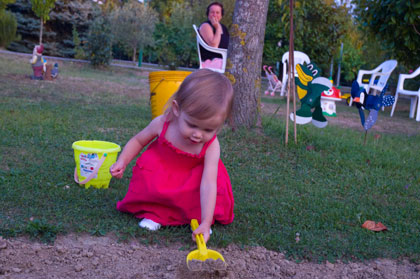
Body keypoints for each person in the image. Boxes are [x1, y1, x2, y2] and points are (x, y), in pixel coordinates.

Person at [111, 69, 234, 243]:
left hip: (191, 183)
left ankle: (198, 220)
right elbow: (138, 141)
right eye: (192, 125)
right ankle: (154, 212)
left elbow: (208, 183)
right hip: (161, 175)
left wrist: (206, 222)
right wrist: (122, 161)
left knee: (199, 192)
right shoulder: (162, 124)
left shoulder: (212, 145)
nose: (198, 135)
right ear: (177, 109)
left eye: (208, 129)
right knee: (150, 178)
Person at [198, 2, 229, 69]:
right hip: (211, 61)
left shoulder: (224, 28)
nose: (215, 15)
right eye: (212, 12)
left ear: (221, 15)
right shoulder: (205, 26)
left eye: (217, 12)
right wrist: (217, 28)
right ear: (208, 14)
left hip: (224, 59)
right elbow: (214, 46)